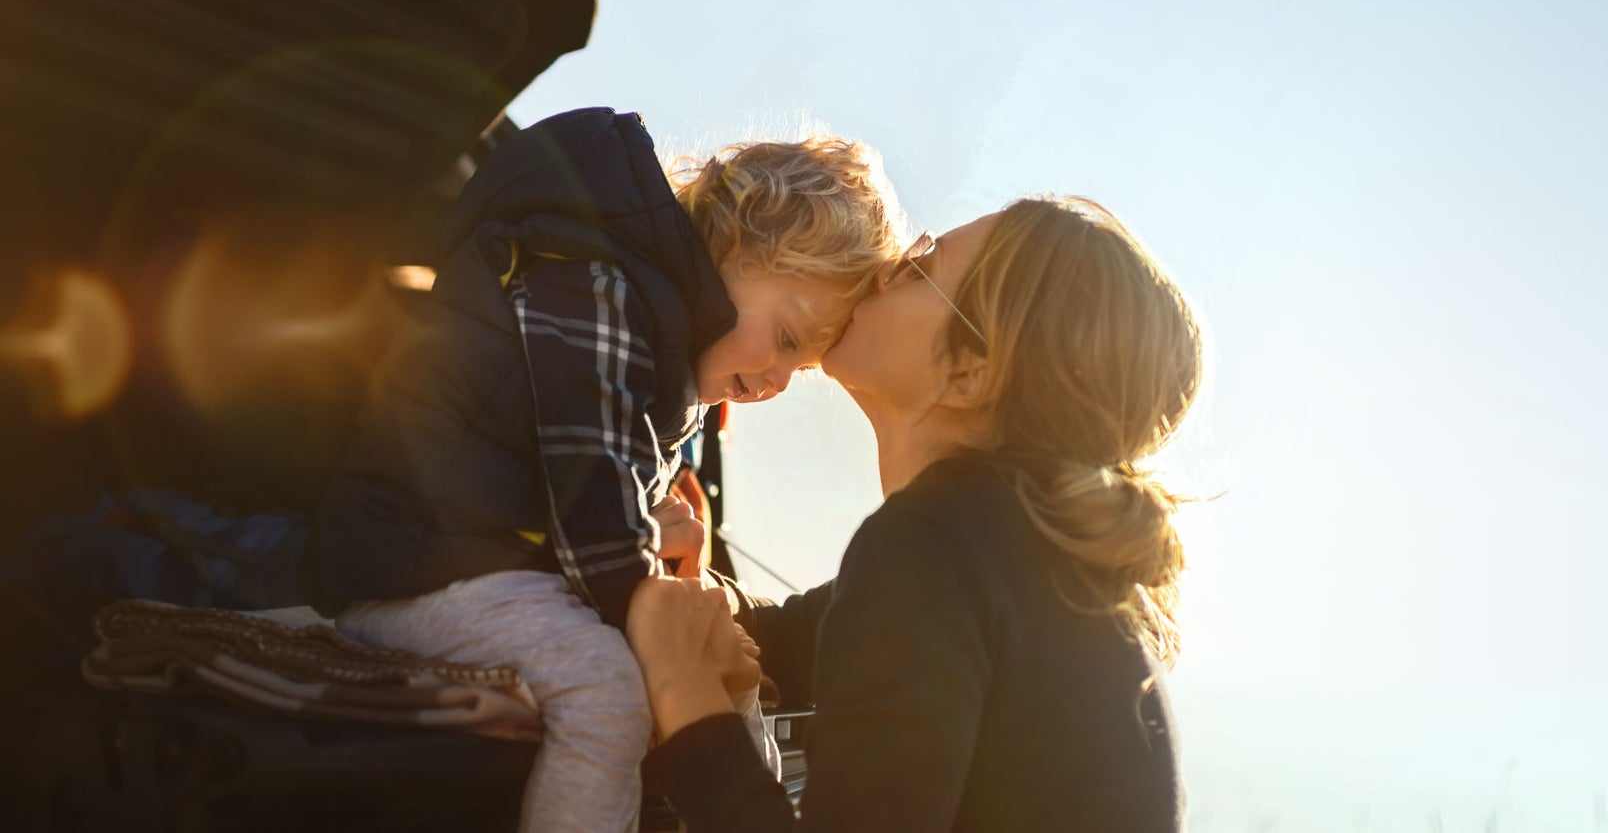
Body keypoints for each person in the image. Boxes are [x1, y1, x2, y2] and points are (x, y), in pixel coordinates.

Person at [297, 107, 905, 832]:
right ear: (734, 245)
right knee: (606, 691)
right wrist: (654, 608)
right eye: (783, 337)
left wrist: (675, 579)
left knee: (724, 671)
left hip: (502, 570)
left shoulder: (661, 342)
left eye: (795, 368)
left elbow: (590, 500)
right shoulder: (589, 277)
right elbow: (588, 482)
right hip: (418, 570)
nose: (773, 380)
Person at [627, 196, 1203, 832]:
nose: (885, 268)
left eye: (924, 262)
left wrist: (686, 697)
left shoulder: (935, 546)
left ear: (970, 373)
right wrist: (699, 594)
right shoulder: (1023, 562)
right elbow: (797, 640)